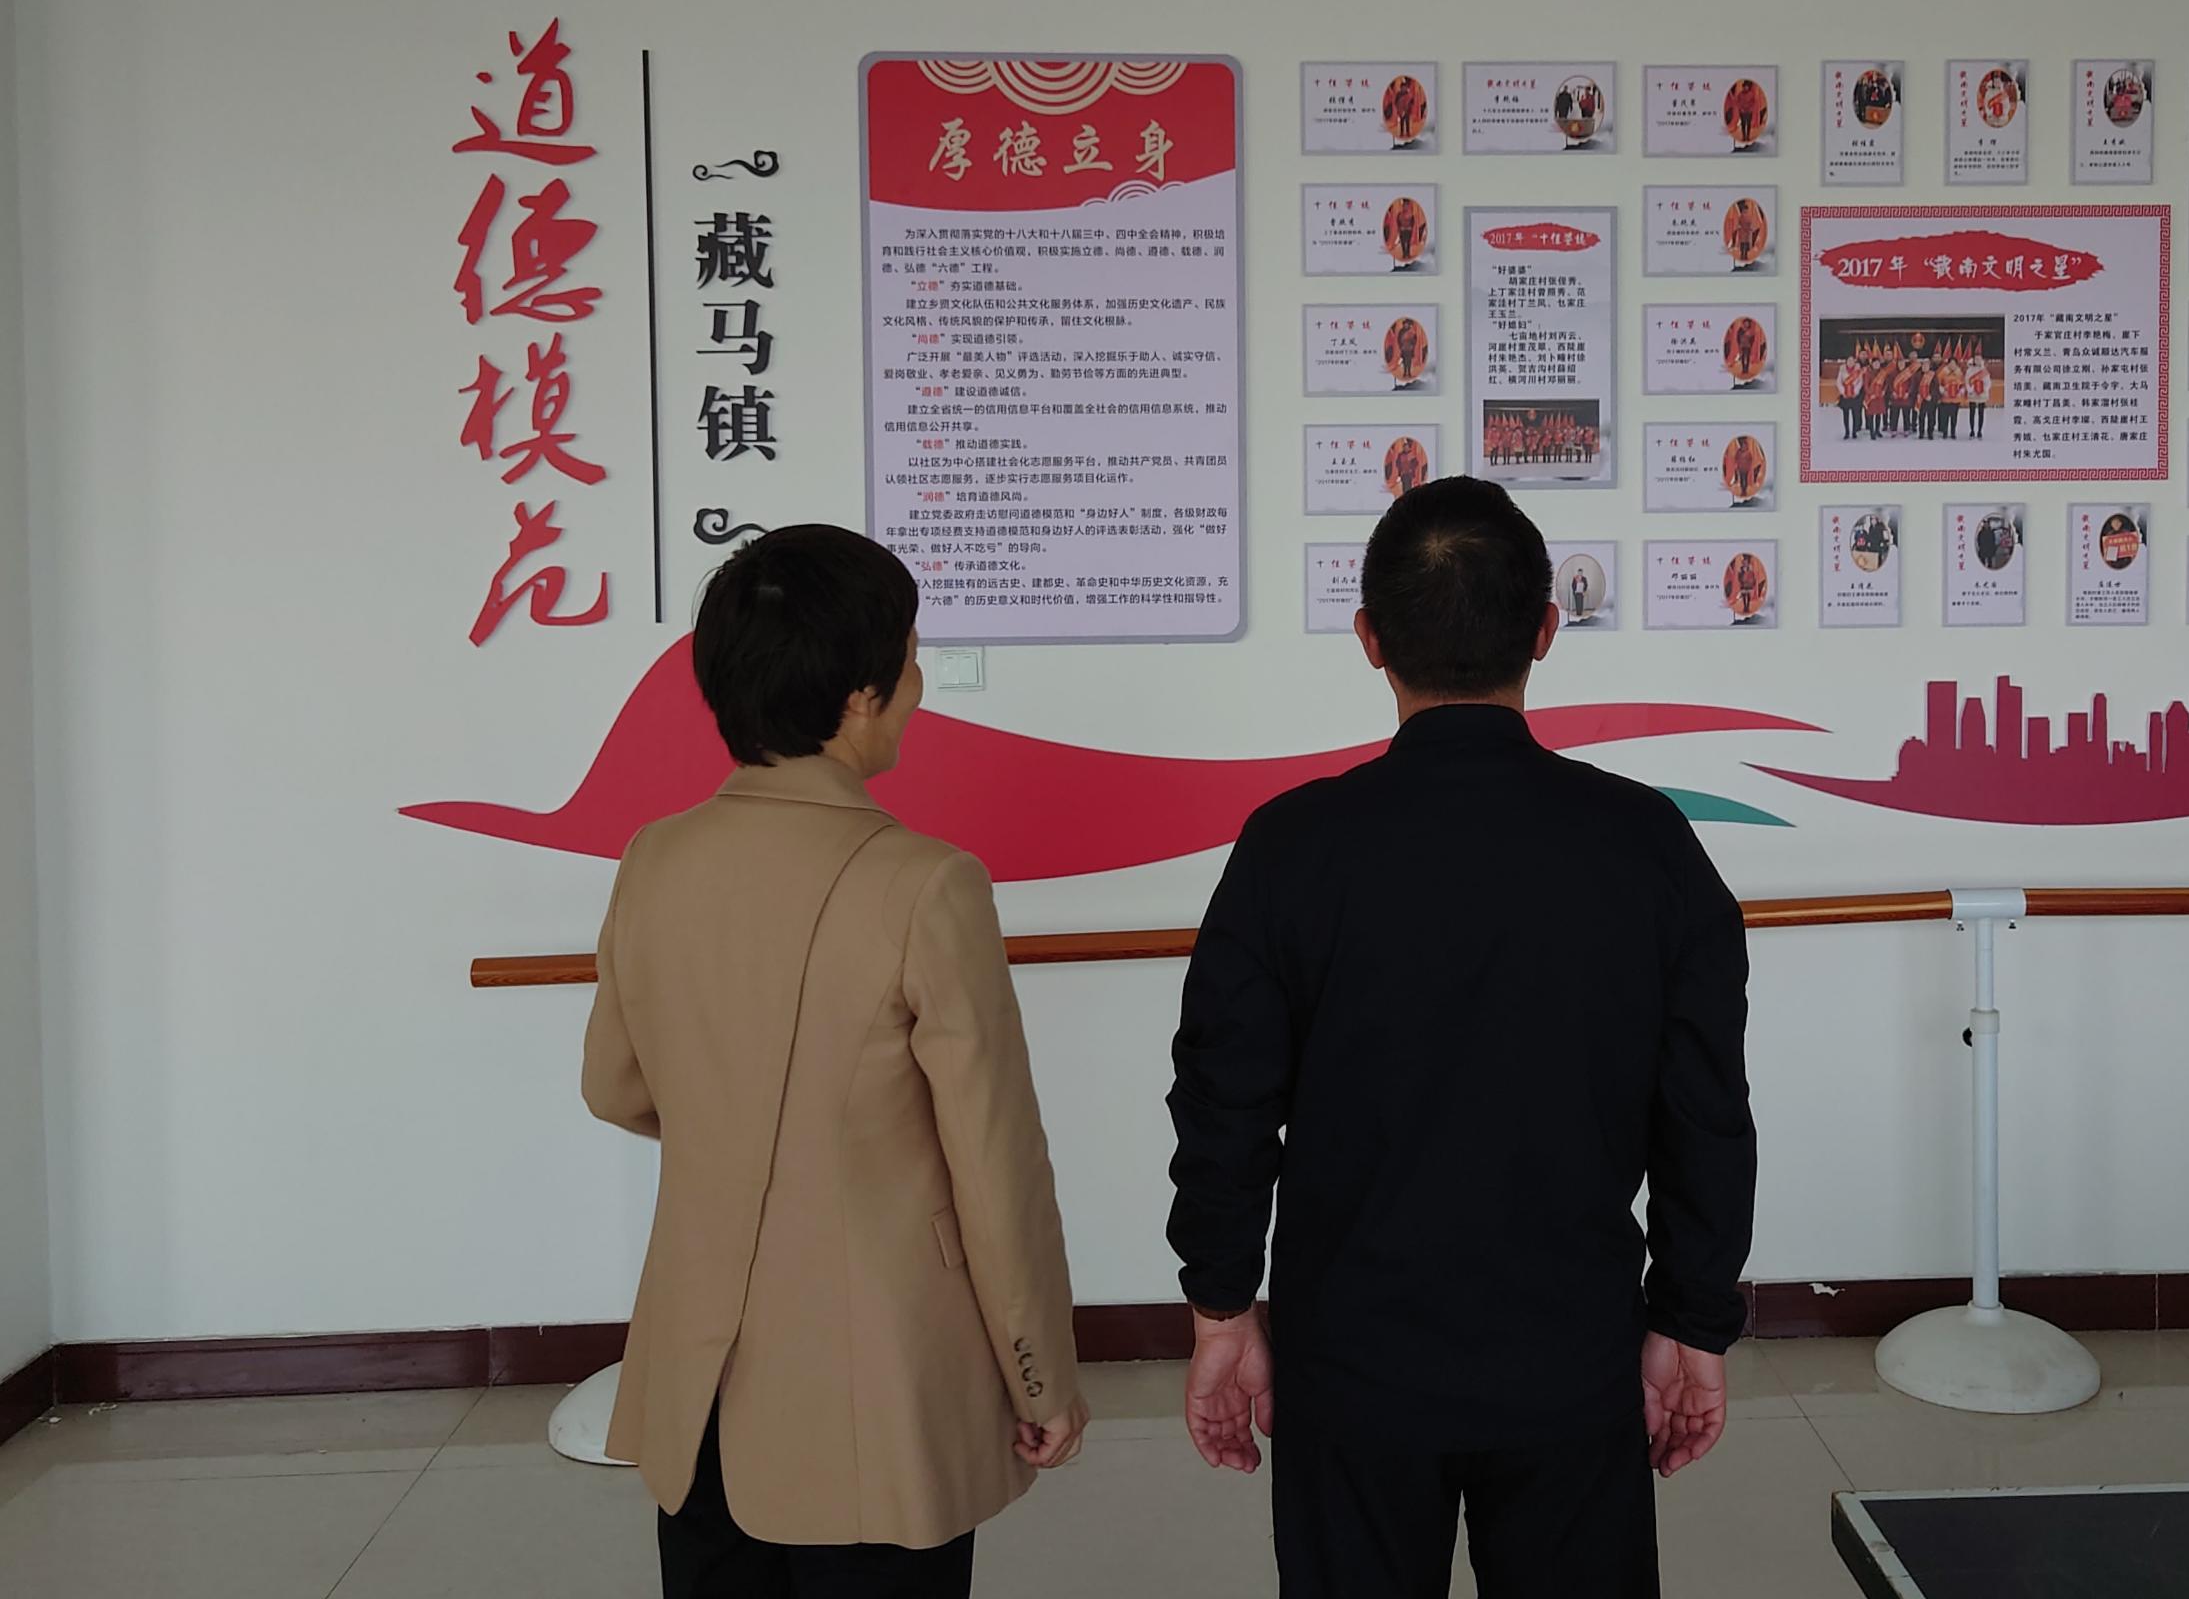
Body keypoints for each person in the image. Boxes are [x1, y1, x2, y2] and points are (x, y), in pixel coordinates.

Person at [1167, 478, 1755, 1599]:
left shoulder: (1292, 847)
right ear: (1545, 631)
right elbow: (1706, 1111)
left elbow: (1222, 1104)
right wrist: (1692, 1319)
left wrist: (1221, 1307)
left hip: (1352, 1362)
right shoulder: (1645, 844)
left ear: (1369, 639)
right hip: (1571, 1356)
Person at [585, 525, 1086, 1598]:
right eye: (911, 658)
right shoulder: (928, 884)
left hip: (698, 1385)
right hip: (878, 1390)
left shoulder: (654, 857)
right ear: (861, 695)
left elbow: (614, 1086)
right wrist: (1039, 1376)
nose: (918, 683)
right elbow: (995, 1169)